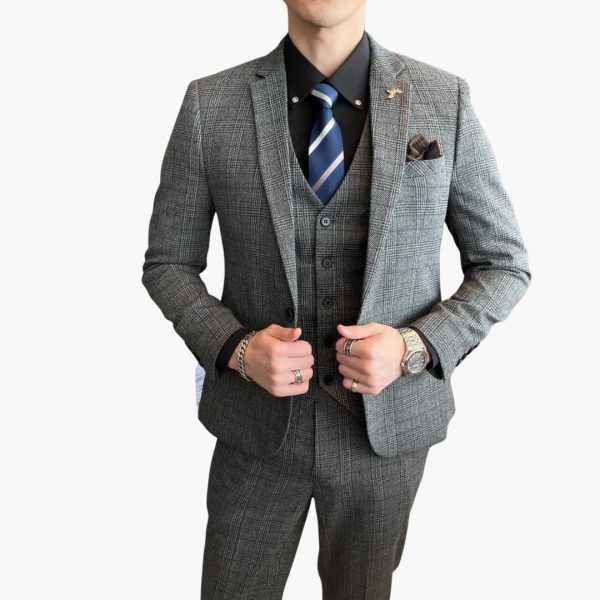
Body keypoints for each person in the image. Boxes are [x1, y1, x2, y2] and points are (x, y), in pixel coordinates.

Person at [141, 1, 531, 597]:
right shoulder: (210, 104)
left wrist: (415, 346)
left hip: (385, 436)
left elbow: (503, 264)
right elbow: (168, 263)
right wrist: (237, 348)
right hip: (254, 429)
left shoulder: (442, 99)